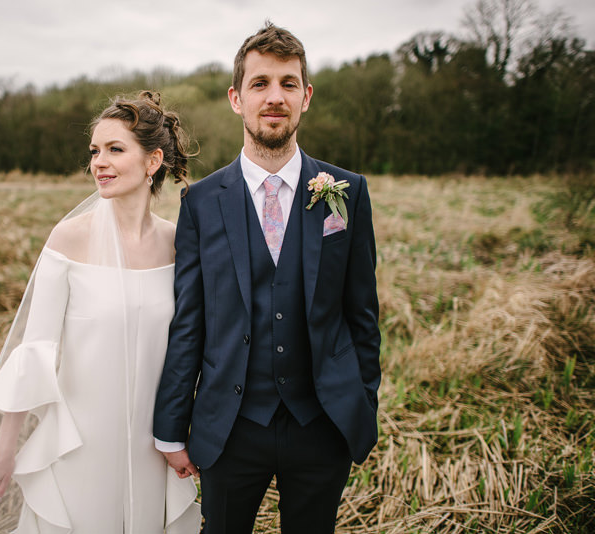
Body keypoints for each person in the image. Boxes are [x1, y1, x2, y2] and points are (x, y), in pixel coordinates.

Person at [153, 22, 381, 533]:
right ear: (236, 98)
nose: (274, 97)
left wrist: (362, 403)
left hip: (322, 423)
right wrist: (170, 429)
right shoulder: (201, 203)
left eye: (288, 83)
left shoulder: (346, 191)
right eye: (260, 84)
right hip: (229, 428)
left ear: (307, 96)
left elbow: (361, 312)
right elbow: (188, 322)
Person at [0, 91, 201, 534]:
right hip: (82, 441)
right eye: (95, 151)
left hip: (151, 442)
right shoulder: (68, 239)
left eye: (115, 149)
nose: (99, 162)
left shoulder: (177, 243)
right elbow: (36, 348)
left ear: (153, 160)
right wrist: (7, 446)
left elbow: (192, 345)